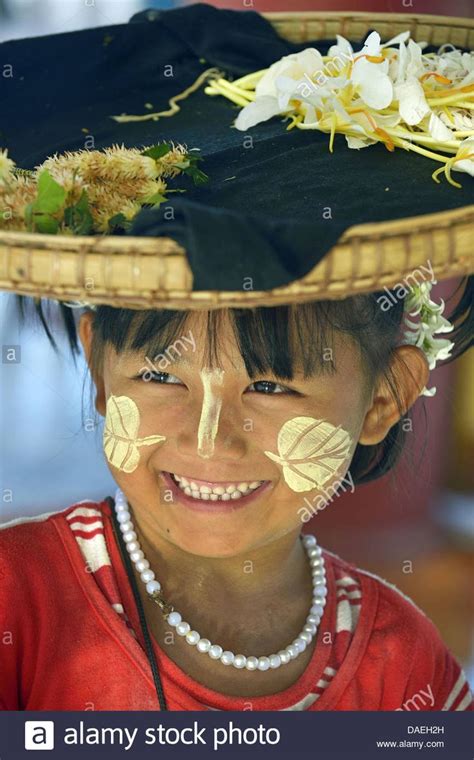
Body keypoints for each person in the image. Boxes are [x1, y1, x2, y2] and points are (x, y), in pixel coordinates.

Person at [0, 2, 473, 712]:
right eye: (161, 376)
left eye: (273, 387)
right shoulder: (19, 606)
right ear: (99, 368)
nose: (207, 436)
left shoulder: (404, 668)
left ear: (385, 398)